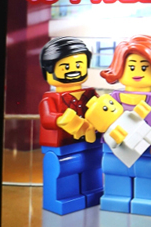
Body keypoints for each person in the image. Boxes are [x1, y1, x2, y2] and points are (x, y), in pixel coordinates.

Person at [84, 35, 151, 218]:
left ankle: (149, 201)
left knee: (149, 175)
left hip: (149, 147)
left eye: (144, 67)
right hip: (114, 148)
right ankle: (116, 198)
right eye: (131, 67)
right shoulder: (112, 98)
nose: (137, 72)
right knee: (114, 172)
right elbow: (100, 119)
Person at [38, 37, 103, 215]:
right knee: (63, 172)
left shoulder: (90, 94)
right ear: (48, 70)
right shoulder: (50, 99)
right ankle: (64, 198)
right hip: (63, 148)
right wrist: (63, 120)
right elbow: (47, 118)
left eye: (79, 65)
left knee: (93, 168)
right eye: (65, 66)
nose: (73, 70)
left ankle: (93, 192)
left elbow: (101, 109)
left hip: (91, 144)